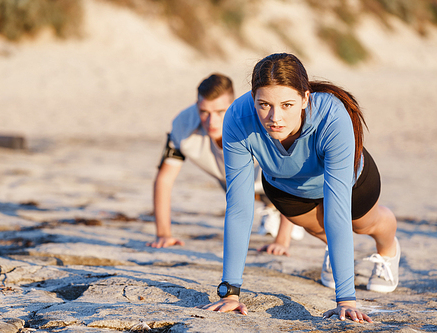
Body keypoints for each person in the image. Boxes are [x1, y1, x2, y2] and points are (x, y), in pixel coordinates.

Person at [200, 53, 400, 323]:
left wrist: (346, 300)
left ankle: (388, 250)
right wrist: (230, 292)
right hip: (287, 188)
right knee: (317, 227)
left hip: (351, 182)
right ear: (252, 98)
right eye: (264, 104)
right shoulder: (238, 116)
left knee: (363, 224)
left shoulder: (331, 115)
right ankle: (337, 253)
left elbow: (337, 209)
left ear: (305, 98)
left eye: (287, 104)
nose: (275, 117)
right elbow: (239, 206)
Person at [147, 73, 303, 250]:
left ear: (233, 105)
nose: (211, 121)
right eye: (204, 112)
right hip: (232, 180)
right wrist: (163, 234)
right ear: (197, 106)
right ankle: (271, 207)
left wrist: (281, 242)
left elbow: (290, 178)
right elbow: (164, 179)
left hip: (278, 181)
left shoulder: (260, 120)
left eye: (220, 112)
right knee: (237, 190)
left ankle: (282, 213)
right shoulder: (183, 124)